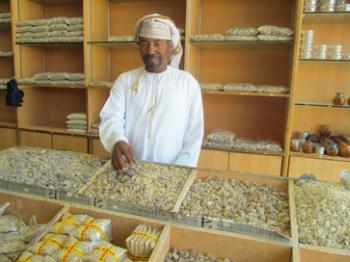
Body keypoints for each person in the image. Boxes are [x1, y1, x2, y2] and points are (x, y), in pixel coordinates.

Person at [99, 14, 204, 170]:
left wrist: (179, 170)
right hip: (129, 167)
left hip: (172, 172)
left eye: (157, 43)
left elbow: (194, 134)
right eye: (144, 43)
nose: (150, 50)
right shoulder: (125, 80)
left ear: (170, 46)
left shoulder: (187, 83)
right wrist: (117, 140)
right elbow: (111, 116)